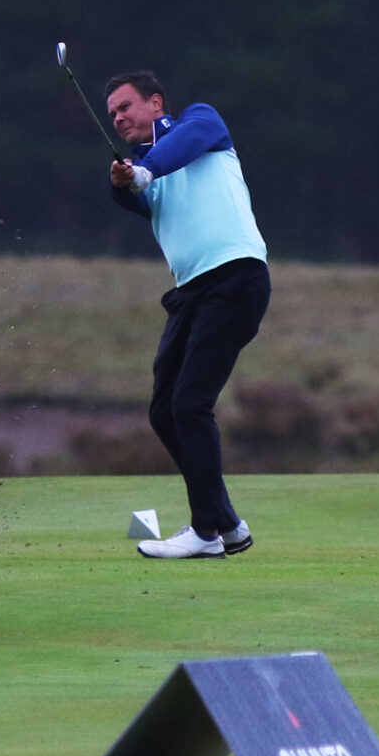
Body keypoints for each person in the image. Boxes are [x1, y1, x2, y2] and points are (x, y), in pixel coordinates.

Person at [104, 70, 269, 559]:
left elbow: (186, 141)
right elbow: (131, 194)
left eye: (126, 106)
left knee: (190, 404)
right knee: (165, 412)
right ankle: (226, 526)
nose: (118, 118)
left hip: (235, 277)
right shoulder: (141, 169)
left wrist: (144, 171)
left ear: (155, 102)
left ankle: (206, 531)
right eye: (112, 114)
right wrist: (126, 180)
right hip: (191, 292)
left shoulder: (201, 123)